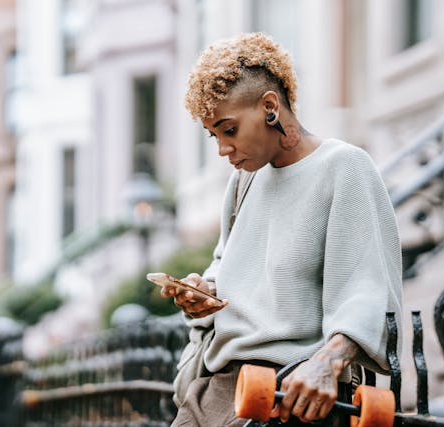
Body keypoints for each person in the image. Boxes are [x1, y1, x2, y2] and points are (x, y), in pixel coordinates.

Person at [161, 32, 403, 426]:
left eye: (230, 129)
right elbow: (225, 265)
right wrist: (204, 293)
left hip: (290, 395)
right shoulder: (244, 181)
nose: (223, 148)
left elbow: (370, 290)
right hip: (215, 391)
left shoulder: (344, 168)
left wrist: (327, 363)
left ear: (270, 107)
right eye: (215, 135)